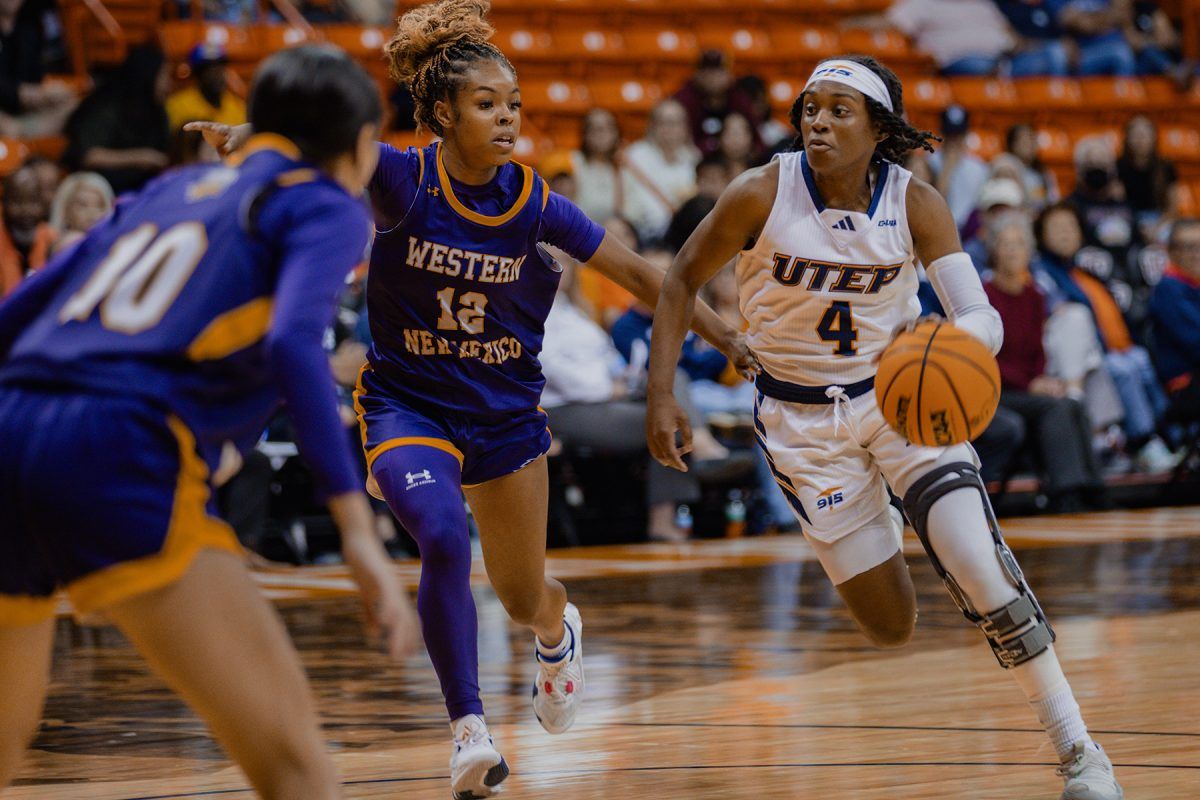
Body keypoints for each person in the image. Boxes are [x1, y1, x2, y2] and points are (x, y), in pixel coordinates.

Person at [194, 3, 752, 797]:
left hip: (504, 420)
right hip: (406, 407)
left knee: (525, 594)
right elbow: (316, 151)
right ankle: (469, 732)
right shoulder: (402, 177)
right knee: (442, 537)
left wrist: (720, 332)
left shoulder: (533, 202)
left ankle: (557, 632)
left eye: (514, 104)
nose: (507, 118)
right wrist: (244, 141)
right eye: (489, 104)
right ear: (444, 113)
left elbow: (640, 276)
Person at [645, 55, 1123, 800]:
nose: (819, 122)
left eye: (839, 110)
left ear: (878, 128)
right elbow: (676, 279)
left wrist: (955, 350)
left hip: (899, 399)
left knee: (978, 563)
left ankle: (1080, 751)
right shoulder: (759, 192)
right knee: (890, 624)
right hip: (801, 425)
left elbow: (978, 315)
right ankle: (915, 519)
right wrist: (661, 395)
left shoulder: (916, 202)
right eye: (811, 108)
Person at [0, 45, 420, 799]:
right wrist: (358, 530)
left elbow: (18, 315)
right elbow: (294, 340)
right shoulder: (325, 203)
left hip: (10, 421)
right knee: (297, 767)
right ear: (360, 146)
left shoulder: (173, 187)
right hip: (117, 445)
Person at [984, 216, 1108, 509]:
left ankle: (1094, 488)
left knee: (1072, 403)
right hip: (995, 390)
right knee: (1056, 406)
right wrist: (1031, 384)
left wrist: (1044, 380)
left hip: (1026, 390)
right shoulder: (984, 295)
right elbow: (984, 356)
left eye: (1019, 245)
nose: (1013, 251)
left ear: (1029, 252)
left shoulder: (1035, 296)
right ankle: (1066, 493)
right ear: (994, 252)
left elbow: (1037, 351)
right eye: (1006, 245)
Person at [64, 45, 171, 194]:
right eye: (163, 76)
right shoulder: (107, 104)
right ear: (148, 75)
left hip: (143, 188)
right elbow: (88, 155)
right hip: (100, 188)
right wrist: (141, 157)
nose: (168, 84)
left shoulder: (157, 110)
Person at [623, 99, 700, 245]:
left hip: (685, 235)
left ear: (685, 127)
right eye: (663, 122)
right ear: (652, 126)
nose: (670, 128)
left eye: (676, 123)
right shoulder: (636, 155)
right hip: (644, 235)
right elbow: (636, 202)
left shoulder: (693, 157)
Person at [1148, 218, 1200, 424]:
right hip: (1186, 384)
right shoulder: (1169, 288)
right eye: (1188, 247)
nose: (1196, 254)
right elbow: (1196, 343)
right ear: (1172, 251)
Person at [0, 0, 77, 137]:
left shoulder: (30, 27)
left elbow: (36, 77)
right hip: (6, 106)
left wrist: (46, 94)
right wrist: (25, 94)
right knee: (5, 126)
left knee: (73, 105)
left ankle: (23, 131)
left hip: (22, 109)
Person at [672, 49, 761, 157]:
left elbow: (757, 141)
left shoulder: (739, 98)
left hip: (736, 161)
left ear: (729, 74)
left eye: (718, 72)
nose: (712, 78)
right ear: (697, 74)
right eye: (707, 72)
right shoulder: (685, 98)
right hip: (692, 160)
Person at [1116, 114, 1179, 240]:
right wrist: (1136, 225)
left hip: (1159, 219)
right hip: (1128, 218)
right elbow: (1117, 203)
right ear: (1127, 138)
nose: (1140, 140)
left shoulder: (1166, 167)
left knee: (1167, 235)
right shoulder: (1117, 167)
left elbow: (1172, 207)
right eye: (1135, 134)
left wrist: (1157, 228)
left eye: (1145, 134)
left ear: (1154, 138)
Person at [928, 105, 988, 230]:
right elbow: (931, 205)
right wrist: (948, 168)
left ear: (966, 134)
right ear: (941, 133)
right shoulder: (929, 162)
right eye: (950, 136)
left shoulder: (978, 167)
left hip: (969, 231)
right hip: (938, 227)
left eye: (958, 136)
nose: (954, 141)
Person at [166, 43, 247, 134]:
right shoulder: (177, 105)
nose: (217, 74)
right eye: (210, 69)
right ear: (197, 74)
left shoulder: (238, 106)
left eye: (220, 67)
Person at [0, 163, 52, 295]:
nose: (26, 210)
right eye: (17, 201)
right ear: (4, 202)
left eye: (33, 201)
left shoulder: (54, 241)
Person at [46, 171, 114, 255]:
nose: (92, 212)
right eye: (82, 205)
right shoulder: (68, 242)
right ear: (65, 210)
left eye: (99, 205)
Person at [1001, 123, 1059, 209]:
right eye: (1024, 140)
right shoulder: (1003, 165)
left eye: (1032, 139)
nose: (1029, 144)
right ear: (1012, 144)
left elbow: (1053, 200)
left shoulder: (1044, 172)